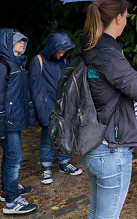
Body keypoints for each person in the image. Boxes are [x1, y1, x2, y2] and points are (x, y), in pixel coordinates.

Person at [80, 0, 137, 219]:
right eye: (125, 16)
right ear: (118, 18)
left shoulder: (90, 47)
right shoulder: (109, 55)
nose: (126, 20)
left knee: (96, 213)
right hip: (110, 150)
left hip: (94, 143)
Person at [28, 32, 82, 185]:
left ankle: (64, 163)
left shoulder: (64, 60)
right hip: (47, 107)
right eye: (60, 50)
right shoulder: (37, 61)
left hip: (62, 106)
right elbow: (35, 90)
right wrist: (42, 113)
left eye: (64, 50)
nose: (62, 53)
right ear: (52, 48)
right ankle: (46, 168)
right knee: (47, 138)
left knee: (63, 135)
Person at [0, 28, 37, 215]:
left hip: (14, 119)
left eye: (24, 41)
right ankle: (12, 202)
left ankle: (7, 190)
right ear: (7, 43)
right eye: (18, 41)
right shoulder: (3, 65)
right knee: (14, 158)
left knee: (9, 156)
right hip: (7, 121)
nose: (22, 43)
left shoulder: (19, 63)